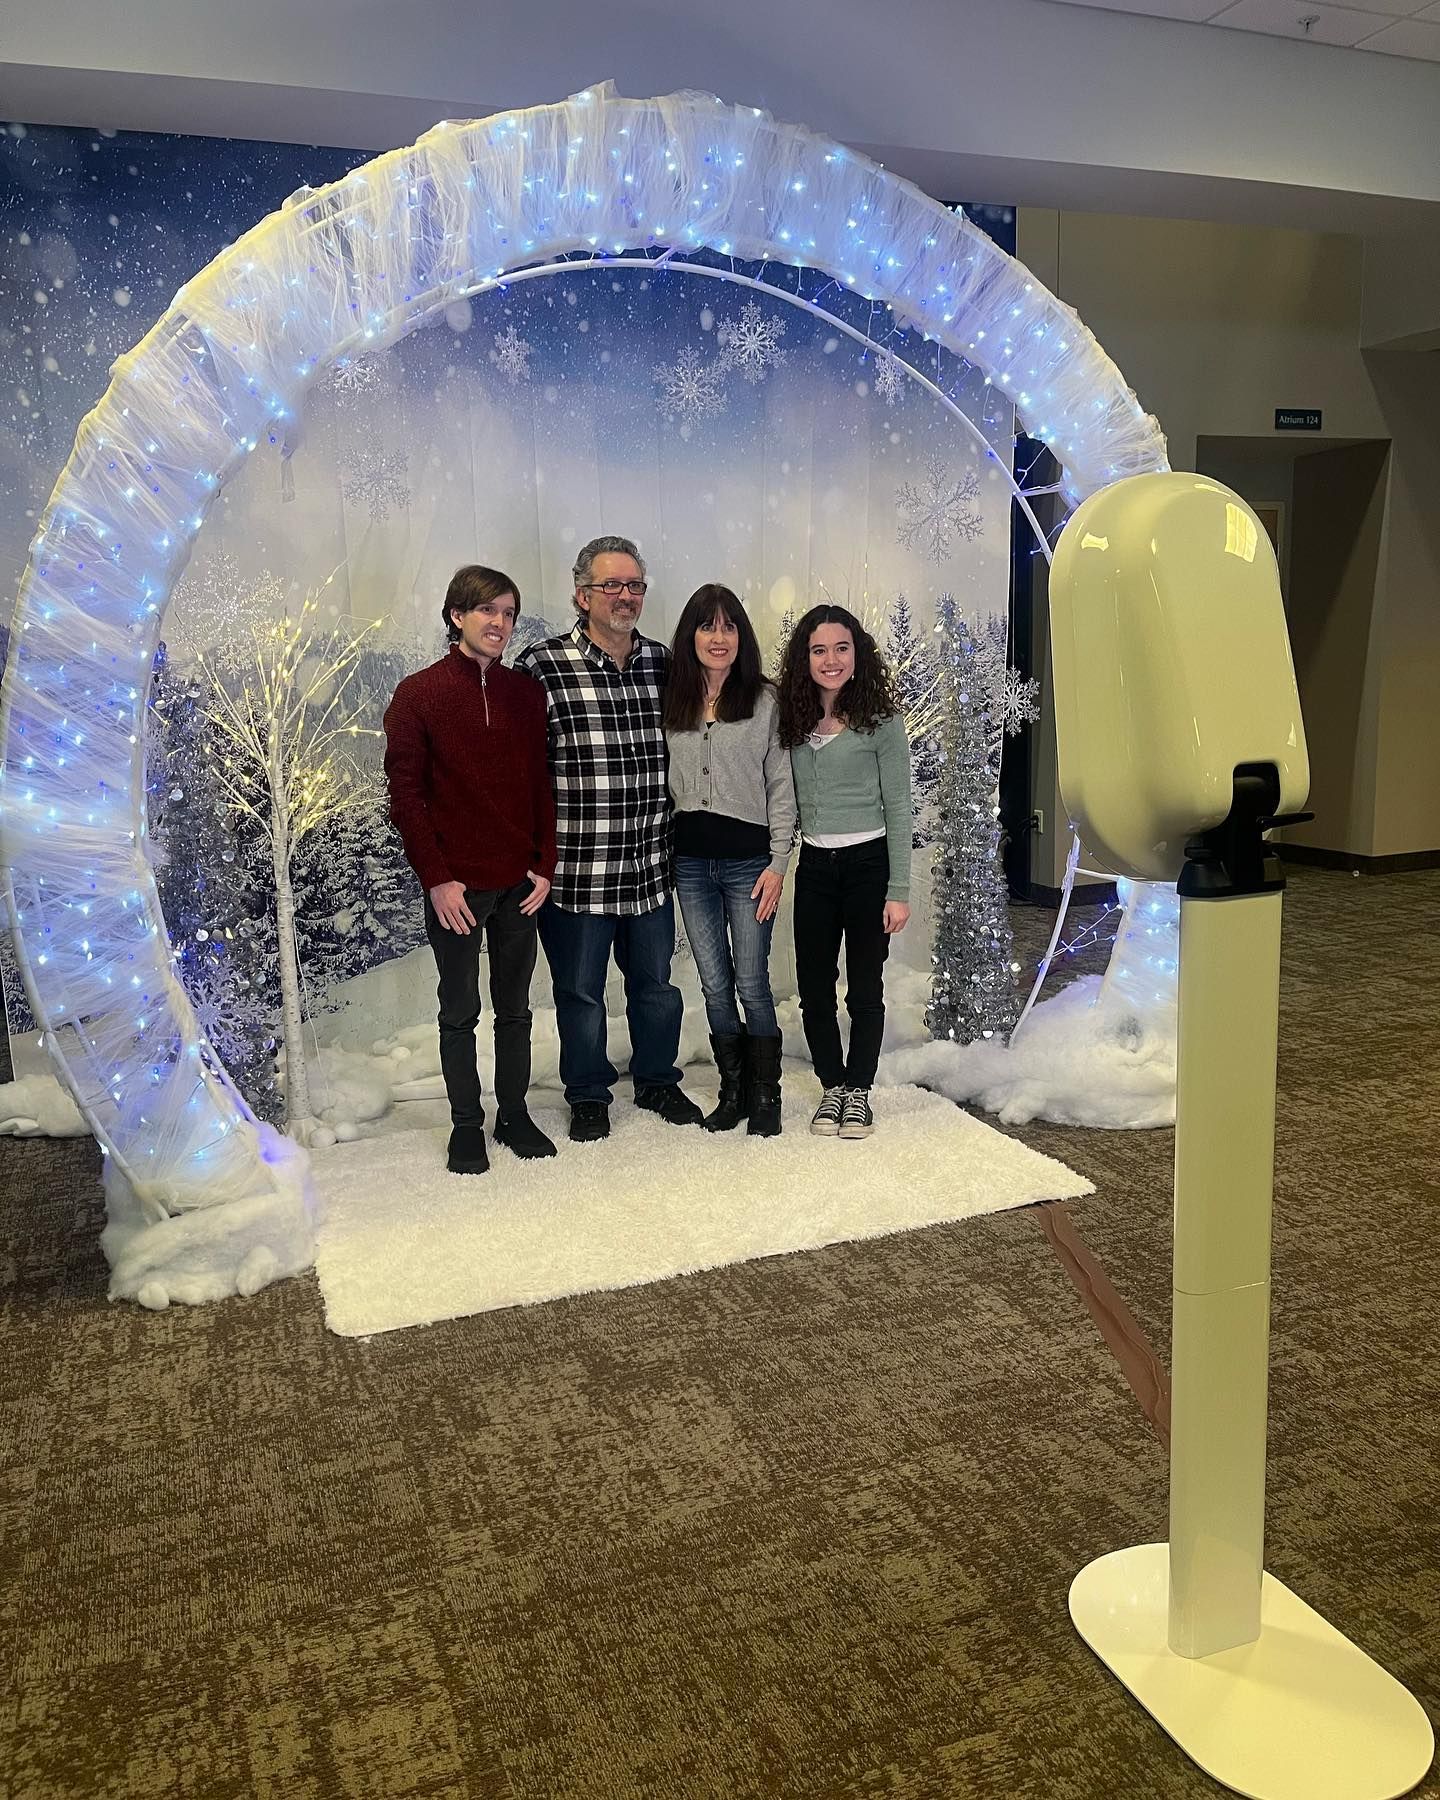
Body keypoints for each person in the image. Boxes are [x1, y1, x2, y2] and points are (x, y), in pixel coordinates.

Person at [514, 535, 703, 1142]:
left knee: (656, 988)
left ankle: (655, 1080)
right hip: (576, 871)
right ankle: (589, 1092)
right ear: (581, 594)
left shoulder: (666, 665)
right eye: (611, 586)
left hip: (651, 865)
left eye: (635, 586)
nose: (625, 597)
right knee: (582, 995)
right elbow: (523, 770)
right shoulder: (541, 667)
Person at [383, 565, 558, 1175]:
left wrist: (544, 865)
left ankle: (513, 1113)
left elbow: (542, 784)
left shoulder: (524, 694)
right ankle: (467, 1127)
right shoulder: (419, 694)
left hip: (519, 884)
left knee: (516, 1009)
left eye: (509, 613)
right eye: (488, 610)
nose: (500, 624)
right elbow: (405, 795)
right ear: (457, 615)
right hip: (456, 887)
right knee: (459, 1011)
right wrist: (436, 877)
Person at [776, 603, 912, 1140]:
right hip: (815, 866)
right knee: (813, 985)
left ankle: (859, 1091)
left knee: (864, 986)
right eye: (818, 650)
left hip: (867, 865)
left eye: (841, 648)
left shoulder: (882, 721)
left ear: (857, 653)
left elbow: (899, 808)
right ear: (804, 658)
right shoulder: (793, 720)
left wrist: (897, 890)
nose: (830, 660)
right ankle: (831, 1087)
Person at [664, 584, 796, 1136]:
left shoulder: (765, 701)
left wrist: (778, 862)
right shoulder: (672, 699)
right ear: (690, 635)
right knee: (715, 984)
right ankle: (733, 1089)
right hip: (690, 862)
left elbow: (781, 785)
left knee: (751, 981)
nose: (718, 638)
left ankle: (767, 1094)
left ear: (741, 637)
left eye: (729, 627)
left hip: (749, 864)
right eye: (707, 626)